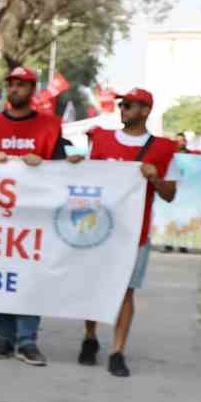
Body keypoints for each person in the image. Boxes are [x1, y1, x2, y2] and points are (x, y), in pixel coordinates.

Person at [0, 65, 69, 365]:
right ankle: (4, 337)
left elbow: (61, 168)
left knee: (30, 277)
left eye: (22, 85)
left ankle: (27, 340)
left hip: (35, 219)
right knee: (3, 277)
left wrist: (46, 162)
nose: (15, 89)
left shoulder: (51, 126)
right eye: (11, 84)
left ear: (33, 90)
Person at [75, 88, 177, 377]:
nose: (123, 108)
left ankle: (117, 351)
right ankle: (90, 336)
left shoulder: (163, 148)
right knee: (95, 285)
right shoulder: (102, 140)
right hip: (99, 229)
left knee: (126, 292)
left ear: (145, 110)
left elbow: (170, 194)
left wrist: (155, 178)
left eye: (130, 105)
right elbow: (89, 177)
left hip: (136, 233)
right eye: (122, 104)